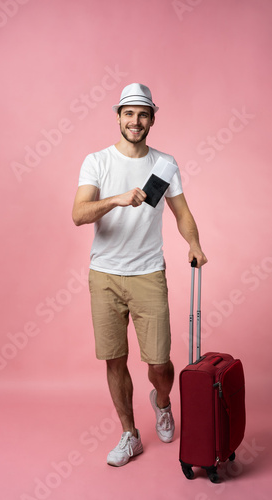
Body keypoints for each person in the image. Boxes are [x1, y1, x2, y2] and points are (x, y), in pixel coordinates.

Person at [72, 83, 207, 467]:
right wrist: (116, 198)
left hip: (148, 273)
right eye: (128, 113)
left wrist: (194, 244)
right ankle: (129, 434)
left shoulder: (164, 164)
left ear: (152, 119)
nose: (135, 120)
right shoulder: (96, 161)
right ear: (117, 117)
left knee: (159, 364)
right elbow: (78, 214)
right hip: (105, 276)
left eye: (143, 114)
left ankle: (161, 401)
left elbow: (182, 213)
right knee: (115, 359)